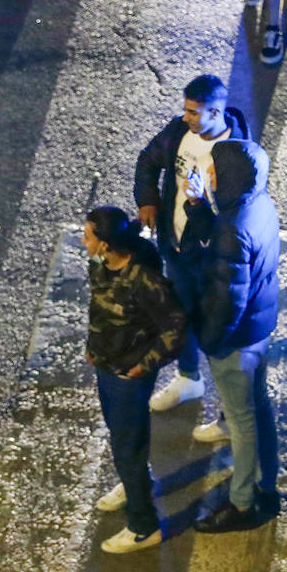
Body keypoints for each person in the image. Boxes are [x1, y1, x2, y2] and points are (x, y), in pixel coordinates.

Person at [134, 75, 250, 430]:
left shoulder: (238, 157)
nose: (186, 118)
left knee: (220, 337)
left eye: (194, 112)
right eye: (186, 110)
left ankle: (232, 417)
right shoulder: (179, 132)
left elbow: (230, 227)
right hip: (178, 249)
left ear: (216, 113)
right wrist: (149, 201)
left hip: (215, 263)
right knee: (180, 317)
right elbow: (148, 161)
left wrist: (199, 204)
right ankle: (188, 378)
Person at [83, 207, 187, 554]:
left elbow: (175, 325)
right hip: (107, 368)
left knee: (128, 448)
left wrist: (145, 365)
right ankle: (133, 484)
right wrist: (93, 346)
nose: (84, 241)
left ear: (107, 244)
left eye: (89, 236)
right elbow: (99, 308)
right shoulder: (101, 264)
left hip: (128, 375)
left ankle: (143, 526)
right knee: (121, 436)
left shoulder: (143, 278)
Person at [191, 140, 281, 533]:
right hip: (259, 329)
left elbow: (228, 300)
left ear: (228, 176)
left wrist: (210, 342)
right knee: (257, 410)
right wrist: (200, 210)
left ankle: (243, 503)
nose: (208, 174)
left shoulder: (233, 230)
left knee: (242, 422)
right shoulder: (257, 203)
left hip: (236, 341)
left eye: (212, 169)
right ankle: (266, 481)